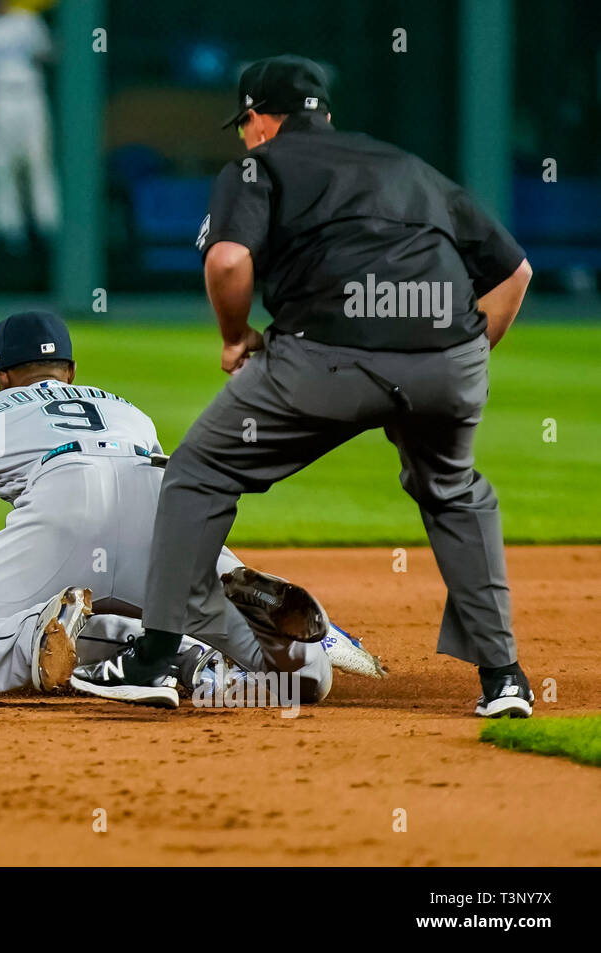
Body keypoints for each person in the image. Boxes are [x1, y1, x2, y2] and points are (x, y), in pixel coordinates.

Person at [72, 55, 535, 717]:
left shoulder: (258, 167)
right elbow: (513, 273)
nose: (243, 136)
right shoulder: (406, 166)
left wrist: (235, 337)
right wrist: (458, 357)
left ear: (263, 118)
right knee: (455, 493)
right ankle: (505, 680)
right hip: (447, 352)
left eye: (245, 123)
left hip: (328, 354)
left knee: (199, 471)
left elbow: (229, 259)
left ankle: (153, 661)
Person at [0, 311, 379, 704]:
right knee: (297, 684)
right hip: (164, 503)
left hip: (66, 502)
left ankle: (34, 637)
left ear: (2, 377)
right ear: (70, 371)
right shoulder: (127, 410)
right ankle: (270, 638)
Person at [0, 0, 60, 254]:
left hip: (30, 95)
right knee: (3, 167)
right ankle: (11, 231)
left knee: (38, 161)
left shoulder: (27, 20)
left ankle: (48, 226)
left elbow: (50, 55)